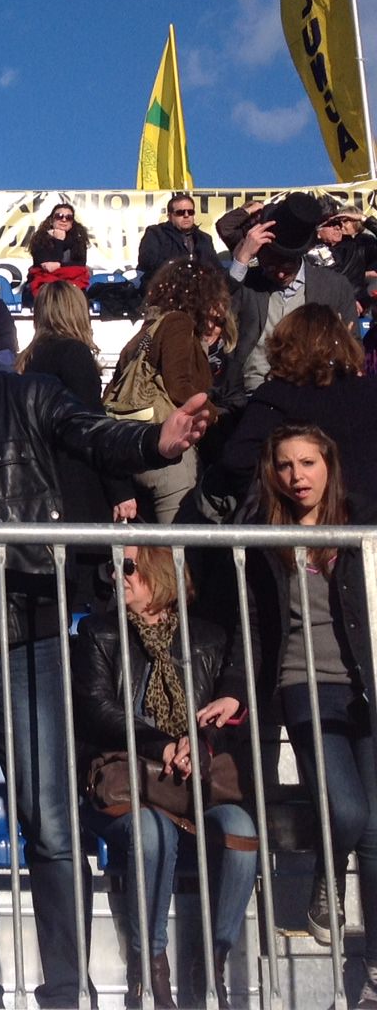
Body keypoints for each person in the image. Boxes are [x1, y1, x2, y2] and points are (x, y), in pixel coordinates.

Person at [0, 282, 210, 1007]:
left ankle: (66, 990)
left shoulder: (27, 396)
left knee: (50, 822)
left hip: (23, 631)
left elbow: (90, 432)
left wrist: (153, 441)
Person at [73, 546, 255, 1009]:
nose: (118, 575)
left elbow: (226, 715)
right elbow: (96, 710)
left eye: (129, 566)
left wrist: (200, 744)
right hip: (126, 781)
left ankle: (213, 961)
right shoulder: (99, 633)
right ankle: (150, 963)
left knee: (242, 832)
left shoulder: (207, 639)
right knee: (151, 832)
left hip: (193, 784)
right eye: (113, 567)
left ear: (159, 570)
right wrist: (162, 744)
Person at [256, 423, 377, 1001]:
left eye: (307, 463)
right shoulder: (265, 535)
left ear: (329, 464)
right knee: (348, 810)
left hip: (365, 689)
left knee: (376, 832)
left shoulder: (361, 521)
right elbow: (254, 624)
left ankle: (376, 971)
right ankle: (327, 876)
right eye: (285, 466)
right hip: (303, 682)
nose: (296, 476)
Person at [16, 281, 136, 599]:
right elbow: (93, 427)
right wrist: (120, 490)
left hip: (47, 485)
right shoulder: (73, 353)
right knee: (88, 594)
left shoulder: (30, 359)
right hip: (79, 488)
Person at [206, 304, 377, 512]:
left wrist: (280, 502)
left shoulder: (277, 394)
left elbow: (238, 461)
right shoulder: (370, 390)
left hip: (305, 522)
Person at [114, 259, 230, 523]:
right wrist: (215, 416)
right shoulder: (178, 323)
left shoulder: (148, 328)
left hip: (132, 444)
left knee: (152, 556)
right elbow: (179, 386)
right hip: (168, 453)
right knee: (177, 552)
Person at [223, 191, 357, 407]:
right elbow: (216, 310)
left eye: (286, 266)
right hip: (250, 399)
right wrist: (242, 259)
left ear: (299, 255)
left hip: (314, 399)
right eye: (270, 266)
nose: (280, 274)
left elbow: (353, 347)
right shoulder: (248, 284)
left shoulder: (334, 287)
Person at [136, 194, 221, 292]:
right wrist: (181, 268)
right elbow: (147, 262)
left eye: (190, 212)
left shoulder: (204, 238)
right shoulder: (156, 233)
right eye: (180, 212)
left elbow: (216, 268)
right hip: (163, 292)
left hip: (199, 293)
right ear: (170, 216)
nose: (186, 215)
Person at [27, 201, 91, 300]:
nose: (64, 219)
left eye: (68, 217)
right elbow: (48, 267)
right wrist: (59, 240)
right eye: (59, 216)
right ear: (52, 220)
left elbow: (80, 265)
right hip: (45, 285)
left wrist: (60, 266)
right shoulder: (40, 240)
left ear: (72, 222)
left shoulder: (79, 240)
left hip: (73, 285)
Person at [314, 205, 377, 303]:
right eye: (332, 224)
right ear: (318, 230)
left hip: (356, 305)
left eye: (342, 222)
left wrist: (363, 219)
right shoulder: (310, 252)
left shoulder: (358, 247)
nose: (339, 227)